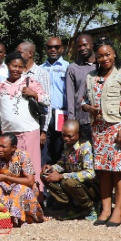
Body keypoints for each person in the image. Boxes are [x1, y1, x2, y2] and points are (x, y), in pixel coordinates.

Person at [82, 39, 121, 227]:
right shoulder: (91, 76)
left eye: (108, 54)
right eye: (100, 55)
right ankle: (105, 209)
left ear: (114, 54)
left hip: (117, 127)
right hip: (98, 128)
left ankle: (118, 210)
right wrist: (88, 107)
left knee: (119, 169)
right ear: (95, 57)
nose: (104, 58)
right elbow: (82, 99)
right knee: (103, 170)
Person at [0, 52, 46, 189]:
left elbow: (47, 100)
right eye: (14, 66)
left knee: (31, 166)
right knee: (12, 167)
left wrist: (34, 94)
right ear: (7, 65)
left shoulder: (31, 82)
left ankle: (35, 198)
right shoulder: (0, 86)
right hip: (8, 135)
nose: (17, 69)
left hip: (30, 132)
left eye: (20, 67)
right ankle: (13, 197)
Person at [0, 133, 44, 227]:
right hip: (6, 190)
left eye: (3, 147)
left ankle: (18, 218)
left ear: (13, 147)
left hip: (25, 190)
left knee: (19, 188)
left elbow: (30, 181)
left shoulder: (22, 156)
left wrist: (5, 177)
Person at [41, 119, 97, 221]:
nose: (66, 138)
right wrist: (52, 168)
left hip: (88, 187)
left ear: (78, 134)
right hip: (72, 183)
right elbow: (62, 164)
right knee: (44, 175)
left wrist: (62, 176)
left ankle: (91, 207)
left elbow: (90, 173)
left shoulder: (85, 147)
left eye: (69, 136)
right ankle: (72, 207)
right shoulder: (67, 145)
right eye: (63, 135)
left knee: (68, 182)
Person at [16, 41, 54, 163]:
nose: (17, 55)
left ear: (30, 54)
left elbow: (48, 102)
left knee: (34, 162)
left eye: (20, 52)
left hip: (35, 126)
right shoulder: (16, 73)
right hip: (17, 127)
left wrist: (43, 131)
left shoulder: (42, 73)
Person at [39, 36, 71, 165]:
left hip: (61, 115)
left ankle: (56, 182)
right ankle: (43, 183)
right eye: (49, 47)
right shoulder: (40, 69)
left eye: (56, 47)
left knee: (59, 150)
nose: (53, 50)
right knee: (43, 151)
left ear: (62, 49)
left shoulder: (68, 67)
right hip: (43, 115)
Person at [65, 34, 97, 142]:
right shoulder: (73, 68)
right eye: (79, 46)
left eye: (85, 45)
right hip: (82, 120)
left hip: (101, 119)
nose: (82, 48)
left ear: (92, 45)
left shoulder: (102, 65)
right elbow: (70, 97)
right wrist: (71, 121)